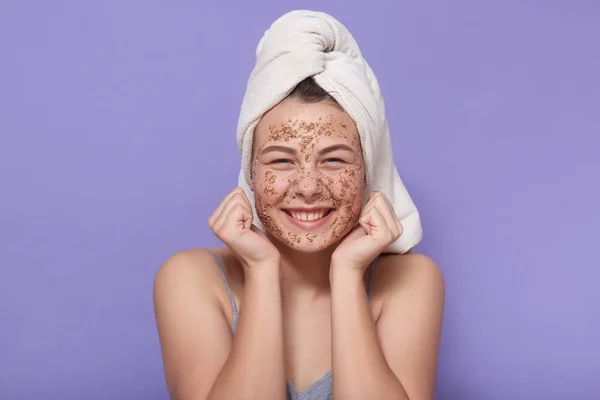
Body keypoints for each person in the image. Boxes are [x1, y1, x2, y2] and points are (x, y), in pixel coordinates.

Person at [154, 11, 444, 400]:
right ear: (250, 175)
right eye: (281, 160)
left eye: (335, 159)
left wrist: (346, 273)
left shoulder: (412, 281)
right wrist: (260, 269)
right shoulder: (190, 279)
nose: (308, 186)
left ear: (366, 172)